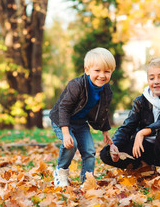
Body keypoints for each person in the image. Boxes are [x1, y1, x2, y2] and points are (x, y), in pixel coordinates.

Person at [100, 57, 160, 175]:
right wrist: (114, 145)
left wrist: (143, 132)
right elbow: (128, 126)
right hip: (146, 149)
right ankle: (144, 166)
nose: (156, 81)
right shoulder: (141, 100)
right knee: (105, 153)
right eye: (152, 78)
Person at [49, 47, 116, 187]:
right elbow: (64, 108)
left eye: (107, 71)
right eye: (97, 71)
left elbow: (103, 111)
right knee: (71, 144)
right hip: (61, 120)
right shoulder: (76, 85)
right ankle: (60, 172)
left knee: (90, 151)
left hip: (80, 122)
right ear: (87, 70)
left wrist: (105, 132)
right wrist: (66, 133)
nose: (102, 75)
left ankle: (87, 181)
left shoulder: (106, 89)